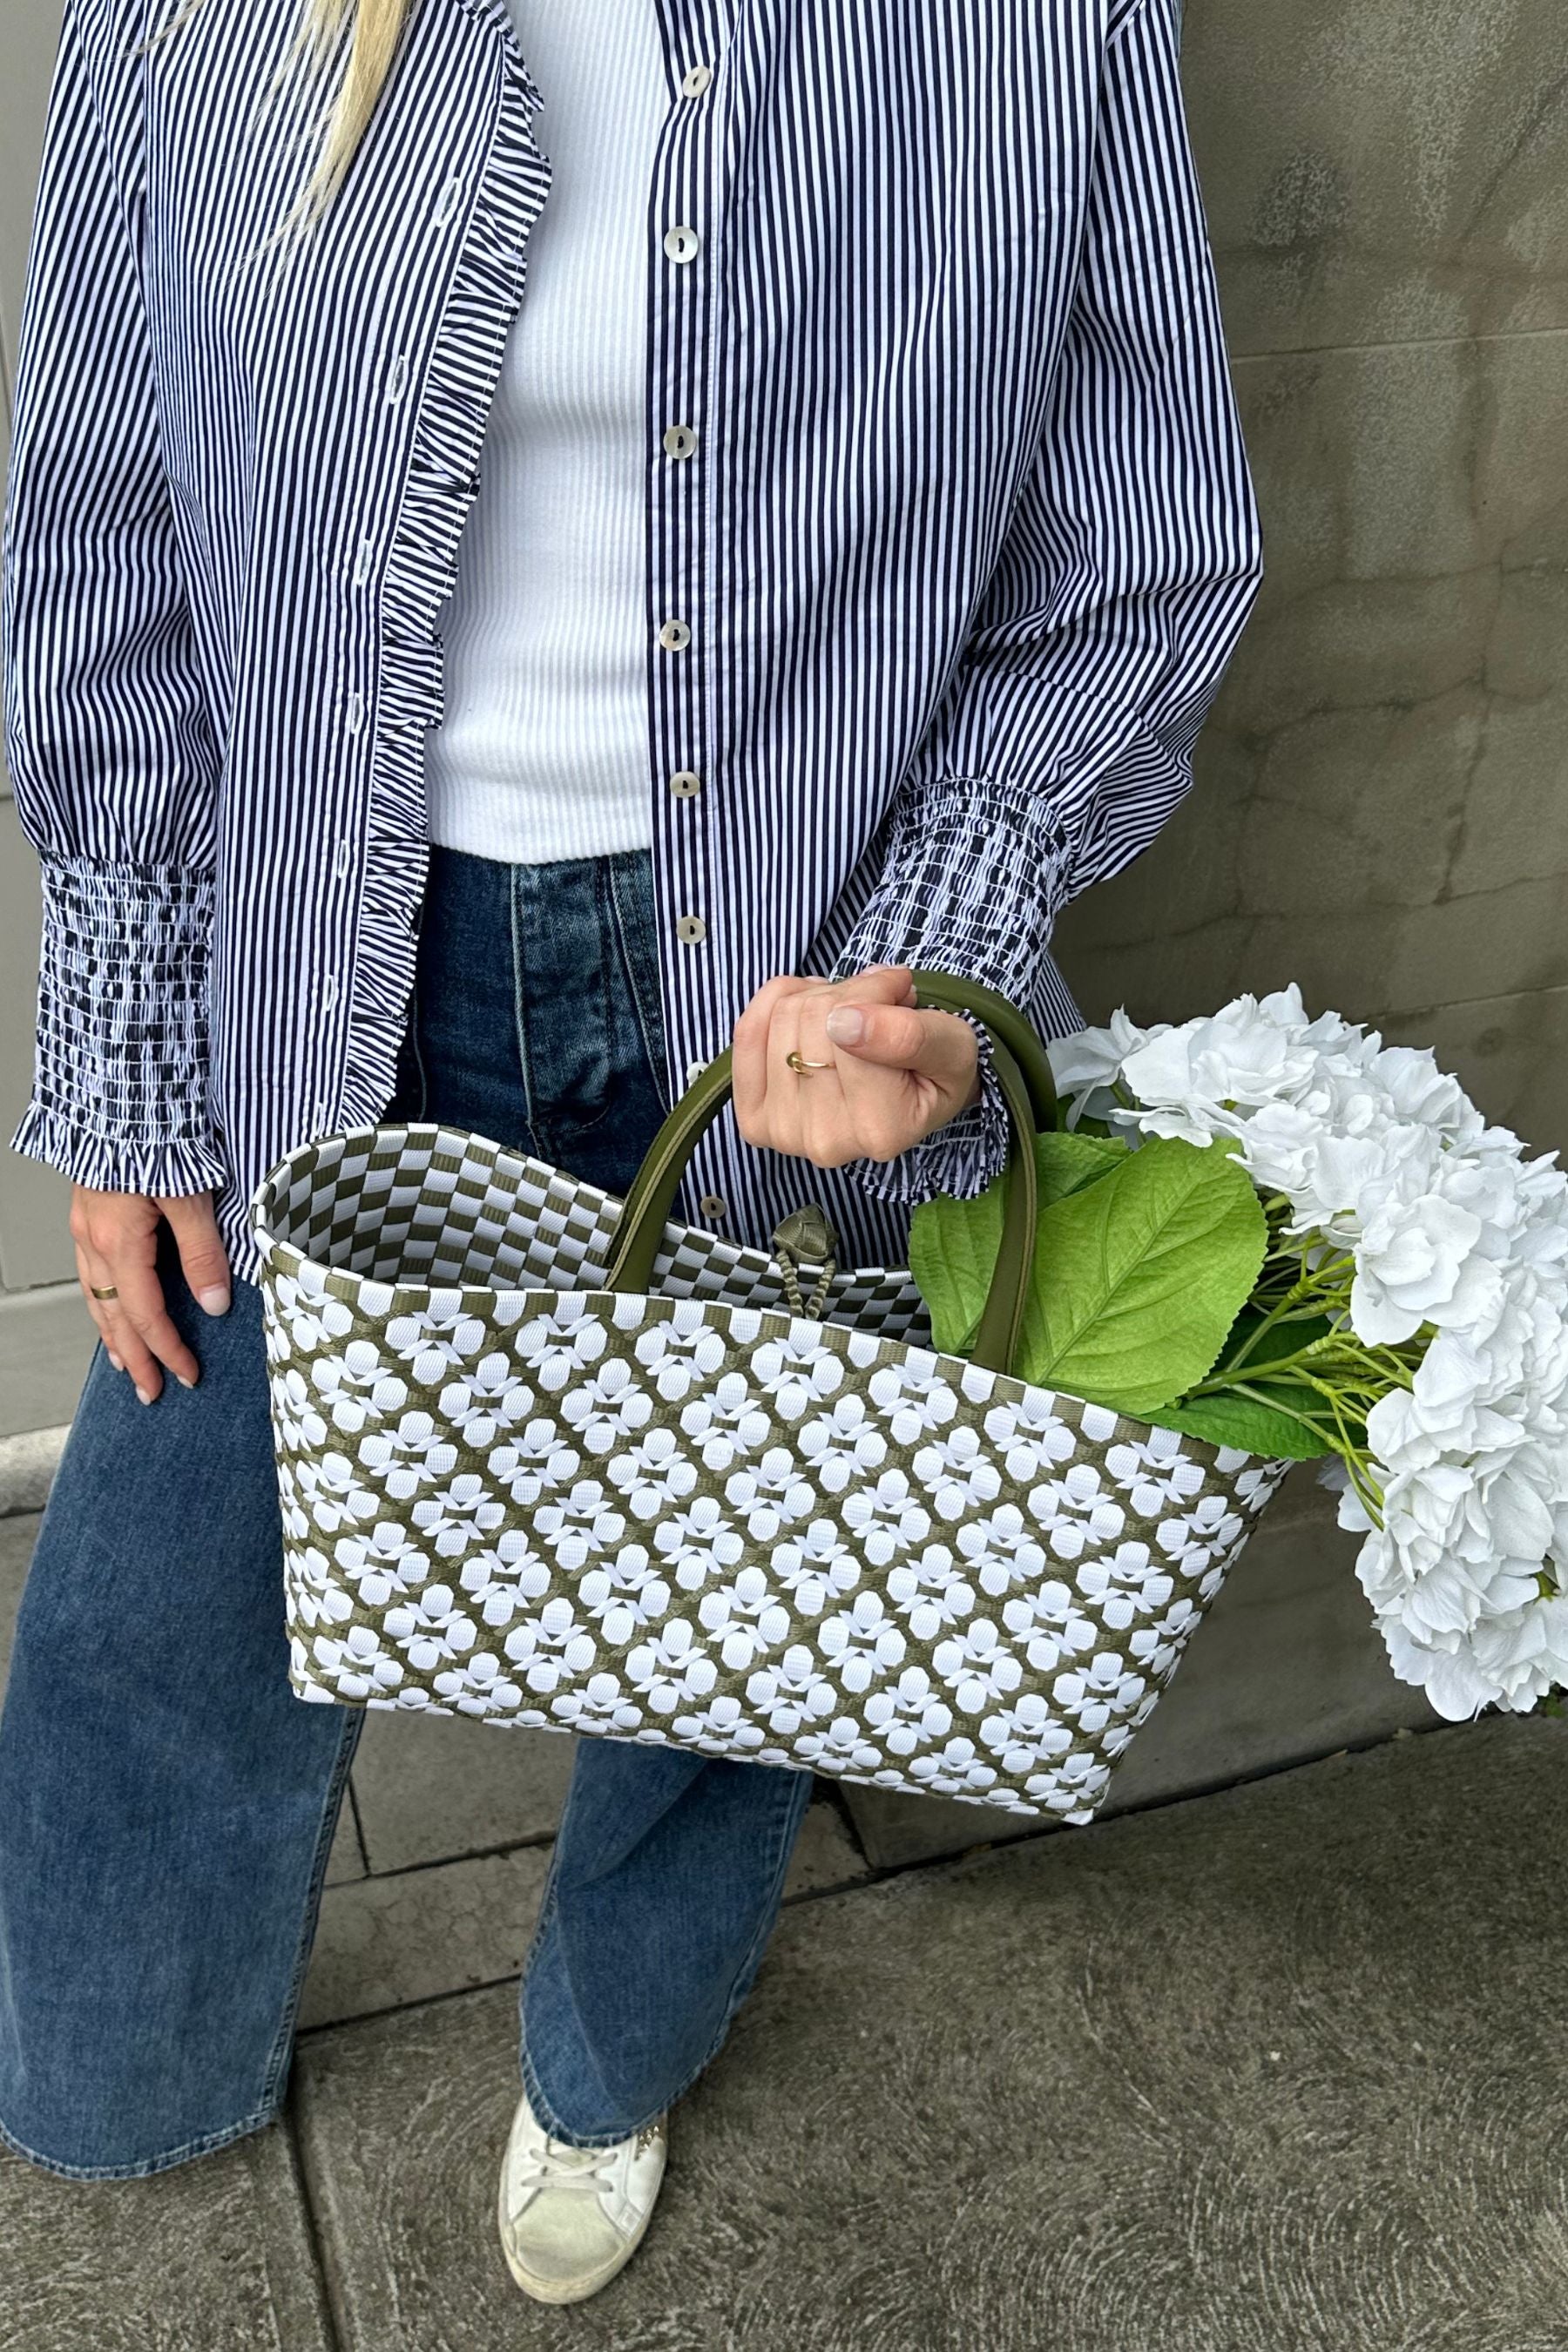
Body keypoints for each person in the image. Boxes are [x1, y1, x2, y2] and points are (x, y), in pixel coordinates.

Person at [0, 0, 1259, 2307]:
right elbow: (104, 526)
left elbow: (1137, 542)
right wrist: (128, 1051)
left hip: (785, 997)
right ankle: (121, 2056)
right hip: (319, 956)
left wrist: (931, 962)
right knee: (171, 1584)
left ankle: (609, 2060)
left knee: (734, 1603)